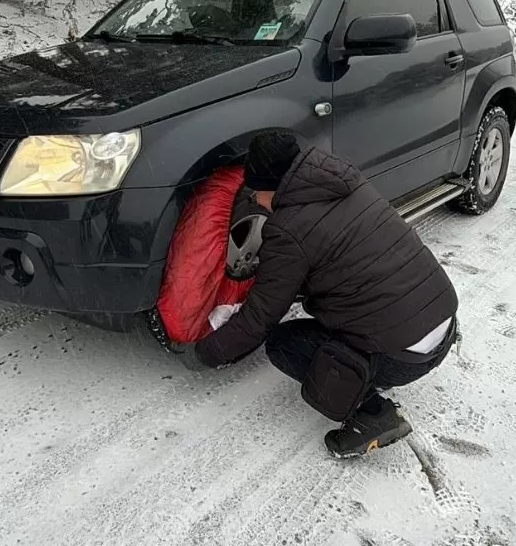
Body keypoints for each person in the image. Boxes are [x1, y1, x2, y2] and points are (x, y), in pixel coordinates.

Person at [178, 132, 460, 458]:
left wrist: (205, 353)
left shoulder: (288, 230)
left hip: (406, 356)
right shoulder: (343, 181)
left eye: (257, 192)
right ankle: (374, 368)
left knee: (285, 344)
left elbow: (259, 320)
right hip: (441, 322)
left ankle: (371, 413)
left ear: (271, 187)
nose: (256, 201)